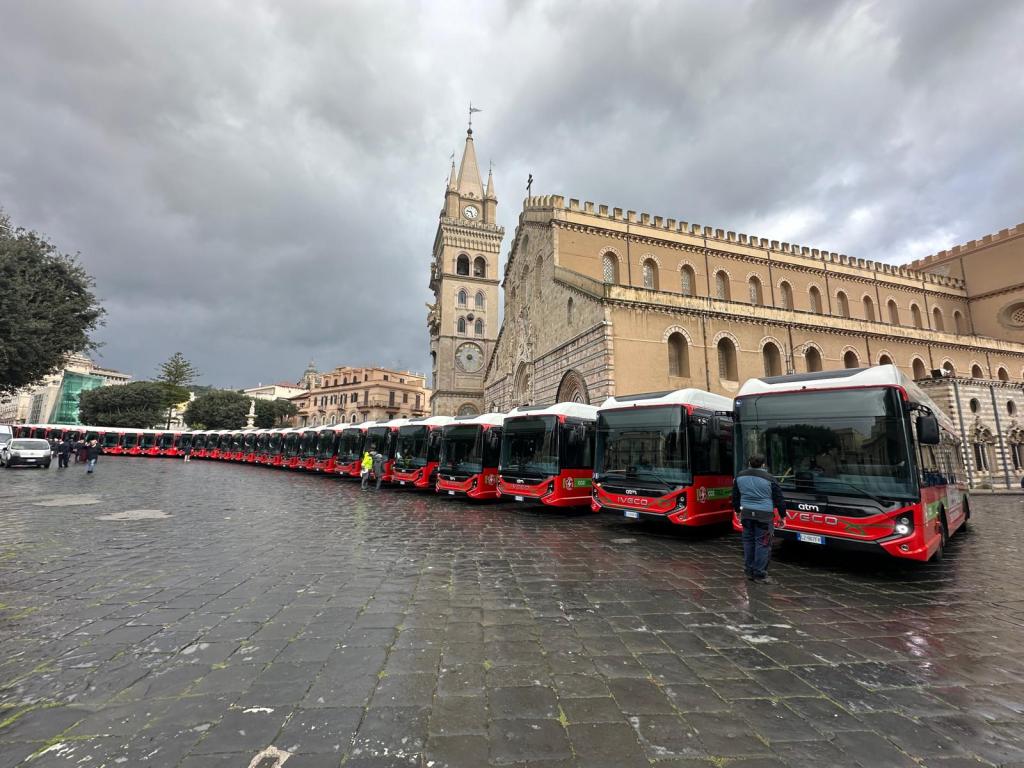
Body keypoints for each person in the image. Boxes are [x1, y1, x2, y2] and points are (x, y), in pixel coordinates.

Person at [732, 454, 786, 584]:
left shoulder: (739, 476)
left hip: (746, 514)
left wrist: (738, 511)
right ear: (763, 464)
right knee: (762, 544)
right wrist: (782, 516)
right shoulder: (770, 478)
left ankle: (749, 571)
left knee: (748, 542)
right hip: (764, 516)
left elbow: (735, 496)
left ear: (749, 463)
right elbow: (779, 499)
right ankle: (760, 574)